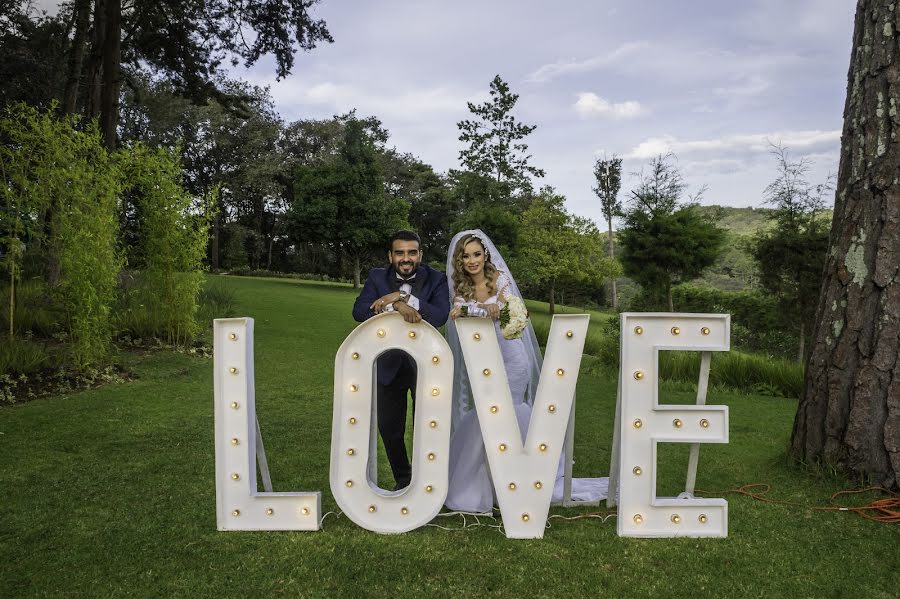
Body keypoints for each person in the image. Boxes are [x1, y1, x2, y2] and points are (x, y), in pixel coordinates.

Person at [444, 229, 607, 512]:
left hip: (511, 359)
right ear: (460, 260)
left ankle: (525, 476)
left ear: (485, 256)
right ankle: (488, 485)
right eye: (466, 256)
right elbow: (457, 313)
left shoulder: (500, 281)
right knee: (486, 414)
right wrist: (483, 309)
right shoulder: (461, 289)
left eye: (477, 255)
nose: (472, 261)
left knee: (508, 410)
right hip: (483, 361)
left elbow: (517, 312)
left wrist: (484, 309)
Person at [352, 230, 450, 491]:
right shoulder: (376, 277)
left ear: (420, 254)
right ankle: (404, 479)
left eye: (411, 252)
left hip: (428, 368)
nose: (406, 258)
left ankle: (427, 482)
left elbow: (440, 316)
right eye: (400, 252)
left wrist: (404, 297)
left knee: (428, 427)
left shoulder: (437, 279)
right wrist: (394, 306)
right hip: (388, 364)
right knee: (390, 428)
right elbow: (359, 311)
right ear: (390, 255)